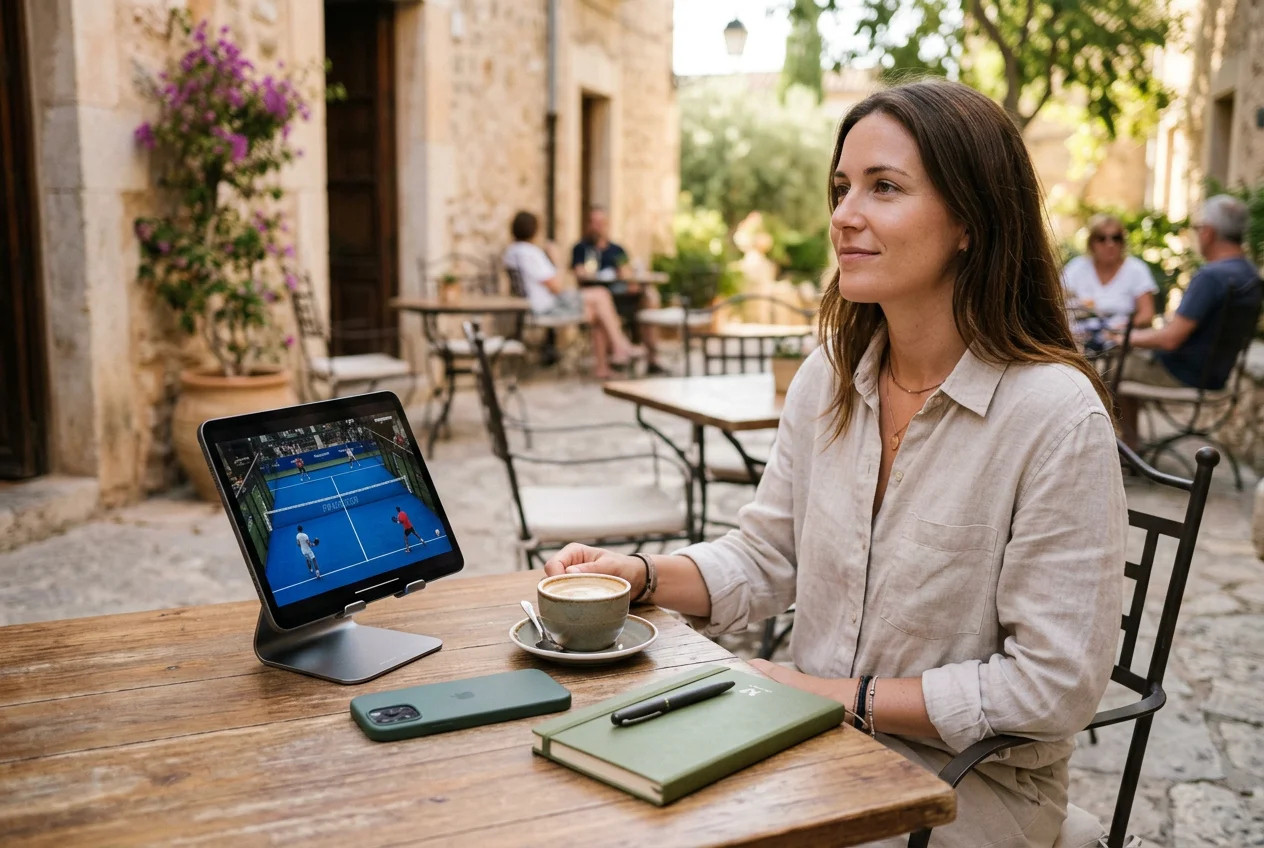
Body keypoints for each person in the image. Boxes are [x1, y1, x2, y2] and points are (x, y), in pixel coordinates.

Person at [544, 79, 1125, 847]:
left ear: (971, 221)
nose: (845, 214)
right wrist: (642, 575)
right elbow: (767, 555)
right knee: (590, 796)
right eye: (842, 187)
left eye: (884, 187)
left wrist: (829, 695)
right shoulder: (830, 377)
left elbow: (1052, 686)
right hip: (813, 736)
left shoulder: (1054, 416)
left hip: (967, 783)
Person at [1117, 195, 1261, 448]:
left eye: (1198, 228)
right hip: (1215, 375)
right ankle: (1131, 444)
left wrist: (1125, 338)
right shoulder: (1248, 273)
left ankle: (1126, 446)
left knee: (1105, 367)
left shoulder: (1211, 276)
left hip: (1182, 374)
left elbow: (1170, 339)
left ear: (1209, 232)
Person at [504, 211, 642, 380]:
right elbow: (557, 287)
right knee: (601, 295)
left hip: (536, 306)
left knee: (599, 311)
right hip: (547, 308)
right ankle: (620, 346)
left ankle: (605, 364)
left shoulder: (512, 252)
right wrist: (557, 261)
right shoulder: (530, 253)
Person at [571, 207, 667, 374]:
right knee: (601, 308)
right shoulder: (581, 248)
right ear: (588, 224)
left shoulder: (616, 249)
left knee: (649, 299)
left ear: (607, 224)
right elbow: (580, 274)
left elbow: (627, 272)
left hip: (620, 295)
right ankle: (619, 351)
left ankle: (652, 358)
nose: (597, 227)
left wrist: (624, 275)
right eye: (594, 223)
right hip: (597, 296)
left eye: (601, 223)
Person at [1061, 213, 1157, 336]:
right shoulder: (1076, 267)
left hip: (1121, 338)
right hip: (1079, 336)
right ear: (1091, 243)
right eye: (1102, 238)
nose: (1110, 244)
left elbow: (1147, 315)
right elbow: (1058, 301)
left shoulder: (1136, 269)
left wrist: (1124, 327)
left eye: (1116, 238)